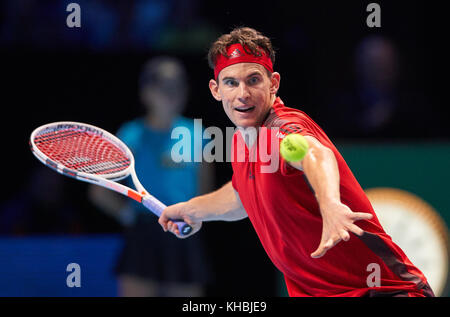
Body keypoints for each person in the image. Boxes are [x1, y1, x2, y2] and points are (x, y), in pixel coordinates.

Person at [158, 27, 434, 297]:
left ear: (273, 83)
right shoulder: (241, 140)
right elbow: (242, 195)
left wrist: (330, 204)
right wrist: (193, 209)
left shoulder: (284, 129)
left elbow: (314, 154)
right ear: (216, 90)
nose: (243, 93)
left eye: (253, 80)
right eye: (231, 82)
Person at [89, 56, 212, 297]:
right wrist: (128, 215)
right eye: (163, 85)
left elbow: (206, 194)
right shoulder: (131, 134)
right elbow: (99, 192)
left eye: (178, 85)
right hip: (142, 236)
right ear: (146, 93)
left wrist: (194, 218)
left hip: (183, 234)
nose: (171, 92)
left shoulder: (198, 134)